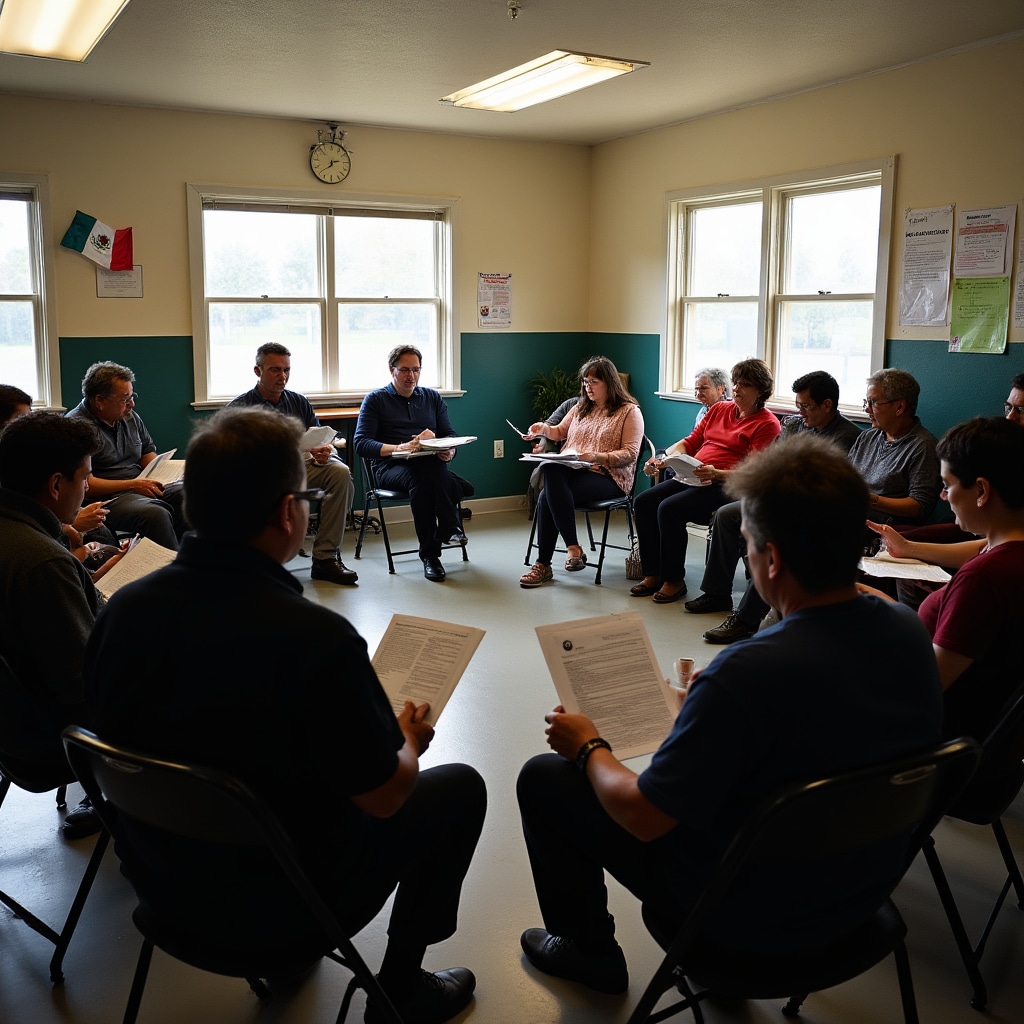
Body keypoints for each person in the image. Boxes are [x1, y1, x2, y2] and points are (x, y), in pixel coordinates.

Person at [84, 406, 486, 1024]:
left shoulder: (122, 609)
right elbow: (383, 798)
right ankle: (402, 988)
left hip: (166, 887)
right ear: (287, 512)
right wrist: (406, 740)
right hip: (287, 901)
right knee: (459, 789)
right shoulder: (315, 638)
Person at [516, 434, 942, 994]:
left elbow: (644, 817)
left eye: (746, 543)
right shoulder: (909, 632)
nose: (745, 554)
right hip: (860, 894)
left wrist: (589, 746)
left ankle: (589, 951)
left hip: (742, 917)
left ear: (773, 558)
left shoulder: (744, 672)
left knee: (546, 779)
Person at [862, 417, 1024, 743]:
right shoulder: (1004, 546)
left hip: (940, 735)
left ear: (981, 490)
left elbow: (923, 688)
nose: (943, 495)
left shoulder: (983, 579)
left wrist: (890, 617)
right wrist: (908, 553)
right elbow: (980, 549)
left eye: (947, 484)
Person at [685, 370, 862, 643]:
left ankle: (745, 619)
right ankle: (717, 593)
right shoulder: (794, 425)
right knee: (726, 515)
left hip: (814, 510)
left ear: (827, 405)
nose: (800, 411)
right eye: (798, 405)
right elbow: (772, 462)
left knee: (774, 540)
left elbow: (828, 488)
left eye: (806, 406)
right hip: (780, 499)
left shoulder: (847, 436)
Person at [0, 411, 103, 839]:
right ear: (56, 485)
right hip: (52, 740)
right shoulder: (42, 561)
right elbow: (80, 684)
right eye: (85, 478)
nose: (87, 488)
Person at [630, 358, 780, 603]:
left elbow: (754, 472)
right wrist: (666, 458)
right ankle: (652, 572)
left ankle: (674, 579)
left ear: (761, 391)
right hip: (695, 475)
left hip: (727, 484)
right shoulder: (720, 409)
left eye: (746, 384)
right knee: (644, 502)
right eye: (736, 383)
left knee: (669, 509)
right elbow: (691, 441)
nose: (738, 389)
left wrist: (717, 473)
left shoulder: (767, 424)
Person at [228, 342, 357, 585]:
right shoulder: (240, 408)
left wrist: (325, 452)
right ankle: (259, 561)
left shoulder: (299, 402)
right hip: (260, 477)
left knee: (340, 472)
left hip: (300, 468)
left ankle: (325, 559)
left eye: (286, 370)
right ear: (257, 371)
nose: (282, 376)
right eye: (275, 370)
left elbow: (319, 437)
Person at [519, 356, 644, 587]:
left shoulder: (629, 412)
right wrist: (543, 429)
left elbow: (630, 453)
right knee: (551, 470)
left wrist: (598, 456)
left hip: (609, 476)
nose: (588, 386)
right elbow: (559, 432)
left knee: (547, 495)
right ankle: (572, 549)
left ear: (609, 383)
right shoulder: (581, 407)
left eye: (594, 382)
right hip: (575, 471)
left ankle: (544, 564)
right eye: (585, 382)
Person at [354, 345, 473, 583]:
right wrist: (399, 448)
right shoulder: (376, 400)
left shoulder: (431, 397)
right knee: (443, 481)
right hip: (389, 468)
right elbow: (361, 443)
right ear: (392, 370)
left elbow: (449, 434)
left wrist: (449, 451)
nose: (411, 376)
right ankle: (448, 527)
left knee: (426, 475)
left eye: (416, 370)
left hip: (427, 468)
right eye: (405, 370)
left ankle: (431, 554)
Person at [66, 361, 186, 550]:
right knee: (155, 514)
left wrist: (161, 475)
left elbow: (147, 452)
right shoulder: (76, 427)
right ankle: (171, 572)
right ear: (100, 401)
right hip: (108, 497)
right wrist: (133, 484)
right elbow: (85, 484)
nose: (132, 404)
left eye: (132, 396)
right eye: (124, 399)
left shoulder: (129, 417)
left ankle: (190, 560)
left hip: (138, 484)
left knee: (187, 493)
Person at [849, 368, 940, 527]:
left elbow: (920, 505)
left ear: (899, 407)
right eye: (867, 402)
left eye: (874, 403)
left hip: (887, 532)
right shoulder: (868, 437)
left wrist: (871, 499)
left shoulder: (922, 446)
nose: (867, 409)